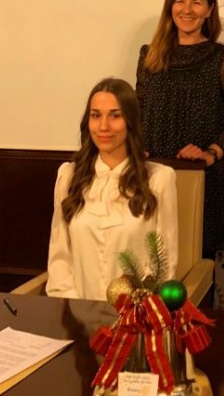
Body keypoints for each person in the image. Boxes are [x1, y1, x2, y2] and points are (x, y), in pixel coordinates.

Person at [136, 0, 224, 259]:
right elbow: (137, 112)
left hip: (204, 182)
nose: (187, 10)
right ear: (170, 7)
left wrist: (210, 153)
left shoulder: (222, 57)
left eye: (196, 2)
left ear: (210, 10)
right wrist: (136, 147)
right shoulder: (149, 56)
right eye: (180, 1)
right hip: (153, 178)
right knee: (150, 265)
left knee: (197, 271)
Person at [46, 78, 178, 301]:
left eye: (115, 116)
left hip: (137, 313)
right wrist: (75, 308)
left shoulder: (159, 180)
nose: (104, 126)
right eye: (96, 115)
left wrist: (136, 310)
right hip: (78, 312)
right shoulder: (68, 177)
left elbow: (163, 264)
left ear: (130, 121)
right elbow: (59, 258)